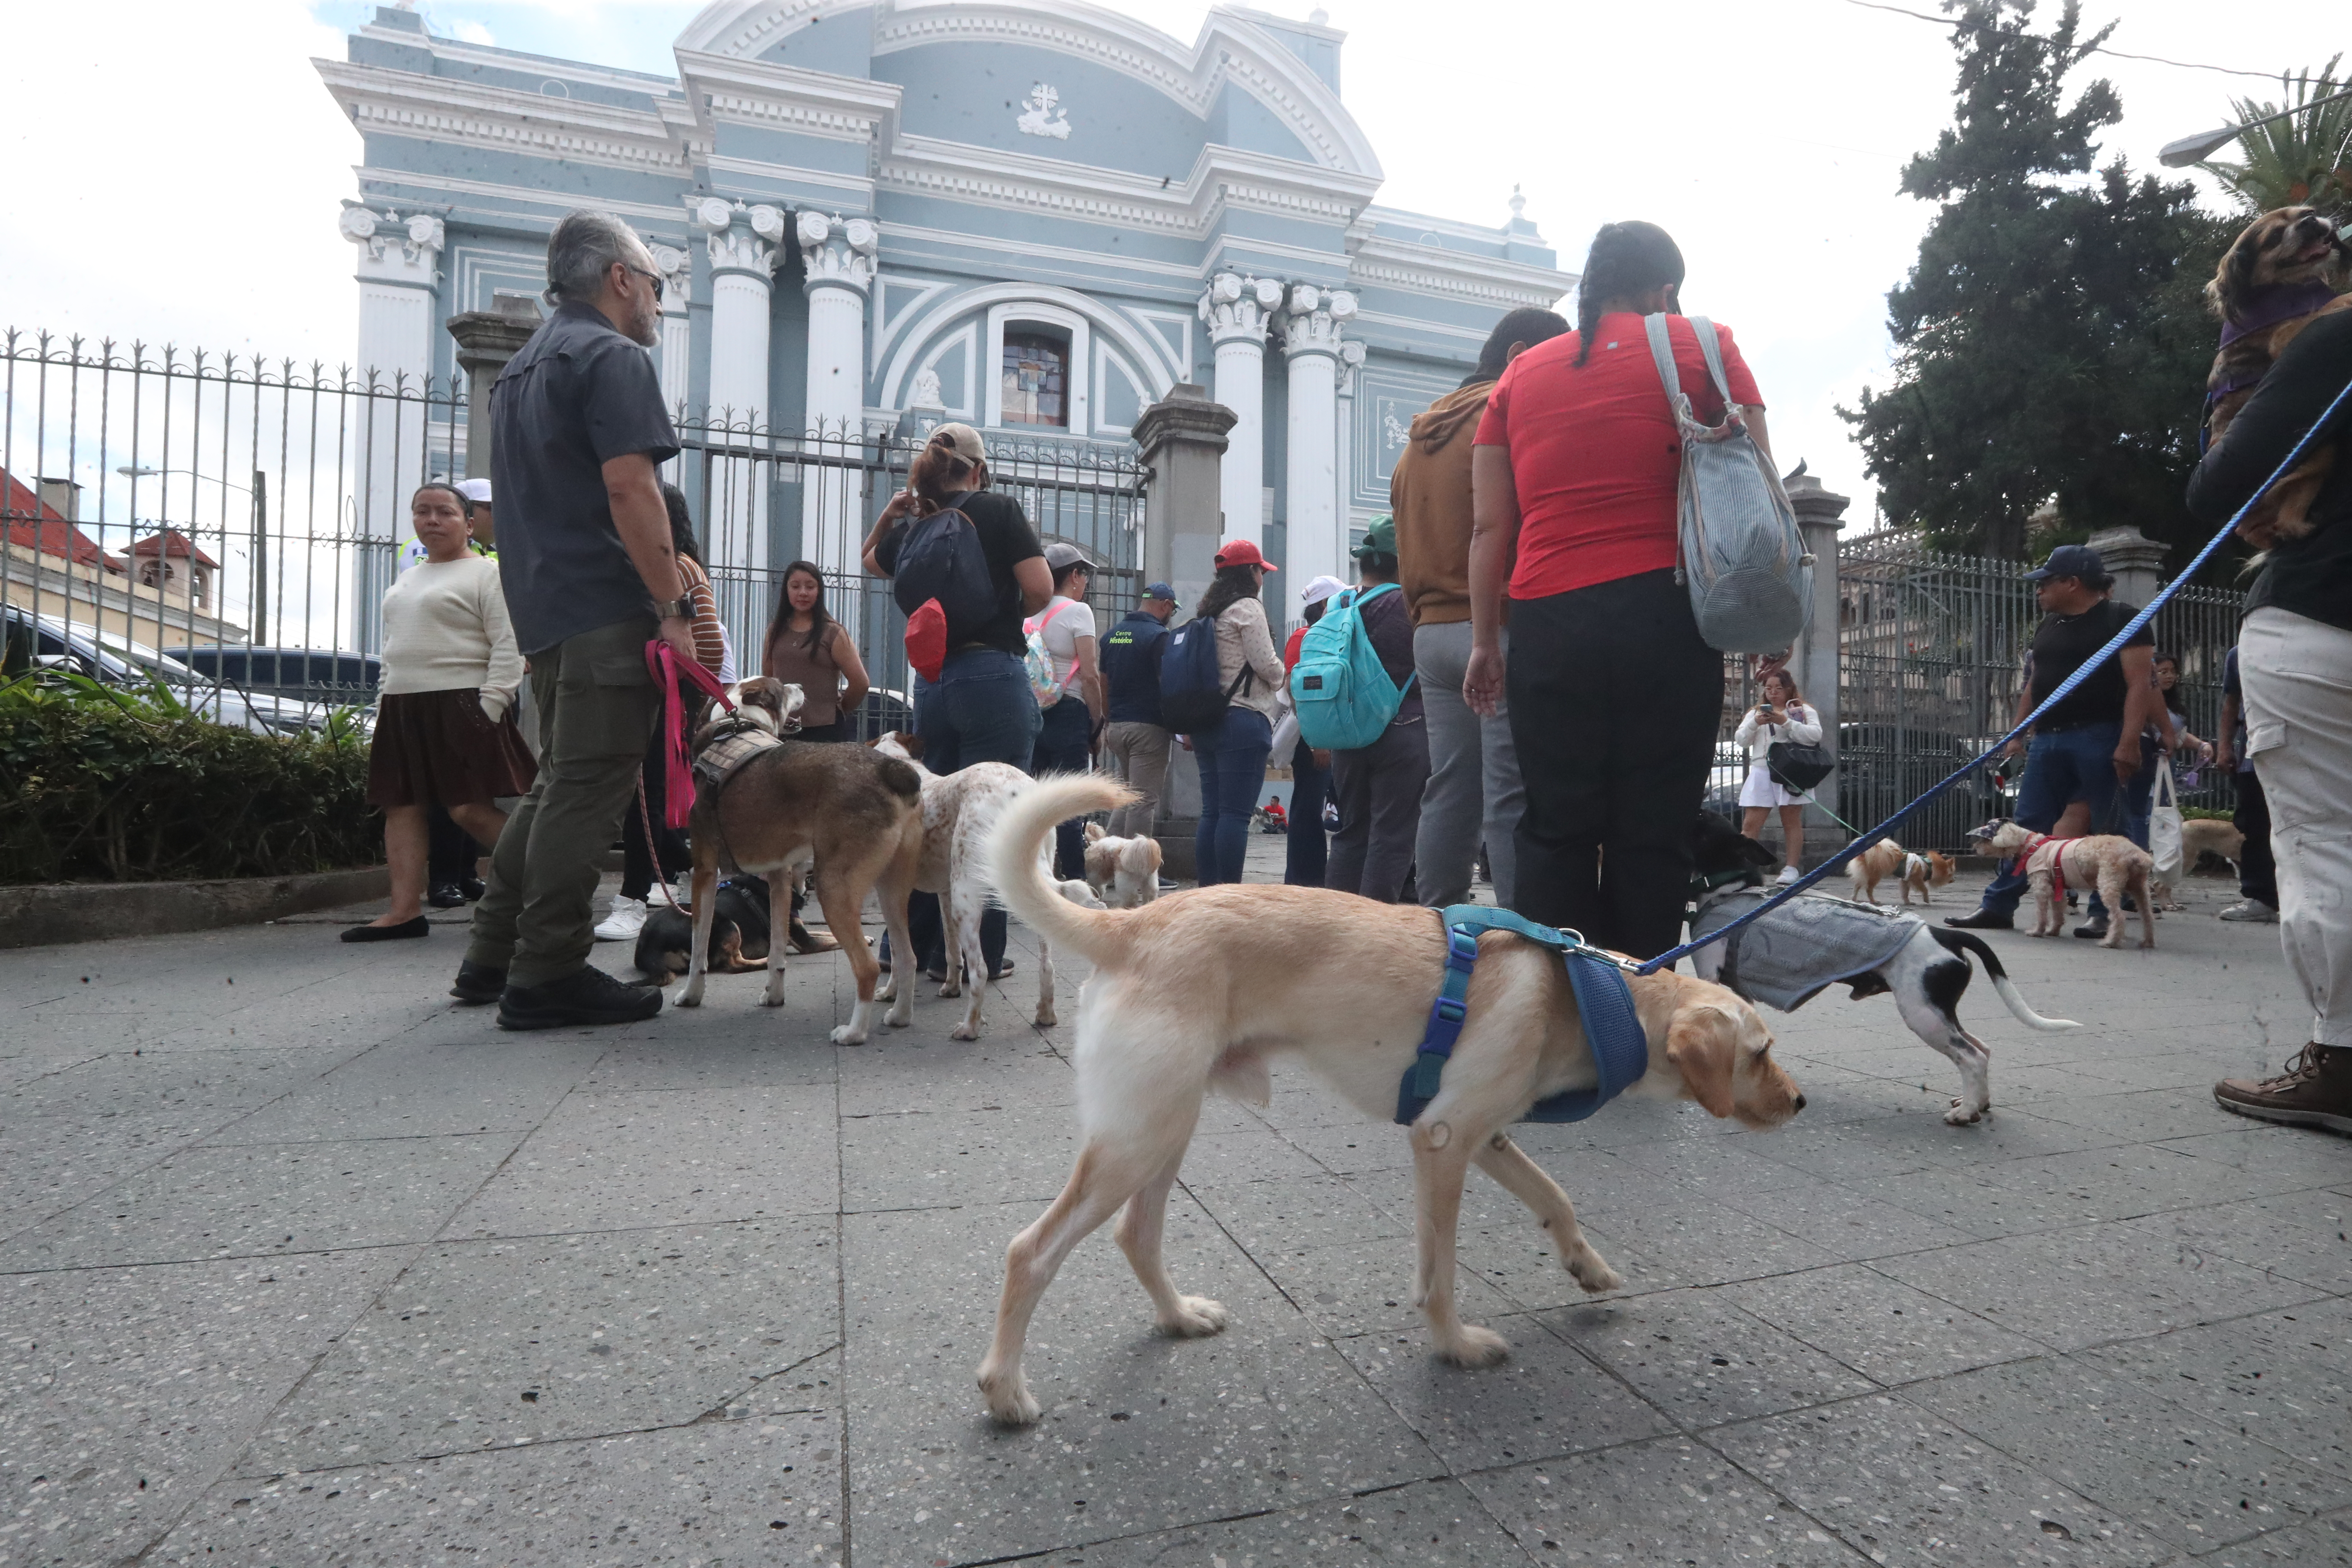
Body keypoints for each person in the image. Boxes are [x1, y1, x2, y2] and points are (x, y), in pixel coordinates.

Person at [1463, 221, 1767, 961]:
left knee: (1553, 823)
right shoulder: (1705, 343)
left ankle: (1554, 1006)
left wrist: (1482, 643)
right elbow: (1755, 488)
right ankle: (1634, 1004)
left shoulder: (1517, 376)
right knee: (1653, 822)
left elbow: (1487, 528)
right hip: (1663, 611)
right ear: (1664, 290)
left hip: (1547, 619)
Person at [454, 209, 692, 1030]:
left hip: (547, 613)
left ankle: (491, 952)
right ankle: (547, 969)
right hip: (602, 609)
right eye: (655, 284)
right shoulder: (611, 355)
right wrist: (671, 606)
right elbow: (633, 490)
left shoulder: (522, 367)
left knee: (558, 784)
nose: (658, 302)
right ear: (620, 278)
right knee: (585, 792)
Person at [2192, 305, 2352, 1133]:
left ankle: (2343, 1059)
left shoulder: (2333, 338)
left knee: (2324, 838)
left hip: (2326, 612)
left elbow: (2220, 483)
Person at [865, 421, 1050, 980]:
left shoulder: (918, 526)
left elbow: (872, 559)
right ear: (977, 468)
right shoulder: (997, 511)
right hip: (991, 674)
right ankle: (978, 960)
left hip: (933, 682)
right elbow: (1041, 589)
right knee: (994, 820)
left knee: (928, 816)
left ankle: (911, 948)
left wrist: (892, 512)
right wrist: (1001, 607)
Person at [1394, 307, 1564, 910]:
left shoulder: (1419, 440)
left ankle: (1434, 923)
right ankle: (1525, 939)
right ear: (1520, 353)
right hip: (1496, 625)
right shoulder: (1507, 411)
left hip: (1431, 632)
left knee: (1450, 789)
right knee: (1509, 792)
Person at [346, 481, 534, 943]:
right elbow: (394, 648)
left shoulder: (488, 574)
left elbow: (509, 645)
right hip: (403, 706)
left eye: (445, 512)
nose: (432, 520)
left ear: (470, 524)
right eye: (422, 511)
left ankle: (550, 888)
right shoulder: (408, 578)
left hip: (464, 701)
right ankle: (404, 912)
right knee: (402, 807)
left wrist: (491, 706)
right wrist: (384, 701)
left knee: (469, 809)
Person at [1945, 545, 2163, 939]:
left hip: (2100, 733)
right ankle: (1998, 905)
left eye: (2045, 582)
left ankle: (2102, 911)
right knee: (2026, 826)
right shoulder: (2050, 626)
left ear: (2072, 583)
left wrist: (2129, 742)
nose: (2038, 591)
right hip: (2048, 739)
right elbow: (2033, 684)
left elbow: (2140, 685)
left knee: (2108, 825)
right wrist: (2016, 735)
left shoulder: (2123, 619)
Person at [595, 481, 727, 943]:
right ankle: (672, 869)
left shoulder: (676, 569)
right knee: (649, 794)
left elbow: (708, 641)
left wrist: (686, 696)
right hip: (659, 694)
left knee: (645, 795)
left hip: (666, 696)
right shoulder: (668, 566)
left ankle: (635, 896)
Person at [1324, 517, 1428, 903]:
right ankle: (1371, 929)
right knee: (1393, 834)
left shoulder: (1339, 603)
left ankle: (1335, 922)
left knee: (1351, 832)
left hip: (1347, 732)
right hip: (1404, 728)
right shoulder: (1408, 605)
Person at [1188, 539, 1285, 885]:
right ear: (1251, 572)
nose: (1263, 577)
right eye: (1261, 570)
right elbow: (1267, 665)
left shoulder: (1209, 613)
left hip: (1208, 722)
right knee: (1235, 815)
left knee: (1212, 812)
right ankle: (1228, 896)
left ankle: (1206, 894)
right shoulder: (1247, 608)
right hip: (1243, 721)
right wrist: (1281, 673)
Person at [1028, 542, 1105, 880]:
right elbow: (1089, 674)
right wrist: (1097, 723)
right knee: (1070, 806)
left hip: (1032, 715)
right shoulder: (1078, 612)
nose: (1085, 582)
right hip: (1070, 713)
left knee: (1036, 808)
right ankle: (1076, 887)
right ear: (1074, 575)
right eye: (1084, 575)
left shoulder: (1029, 613)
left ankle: (1035, 883)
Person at [1277, 574, 1346, 887]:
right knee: (1309, 806)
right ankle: (1307, 878)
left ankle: (1310, 875)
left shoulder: (1314, 636)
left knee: (1312, 804)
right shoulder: (1307, 638)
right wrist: (1318, 741)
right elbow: (1299, 691)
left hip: (1323, 735)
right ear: (1324, 605)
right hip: (1315, 737)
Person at [1099, 582, 1177, 840]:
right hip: (1148, 729)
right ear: (1165, 605)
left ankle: (1110, 863)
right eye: (1173, 611)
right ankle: (1137, 870)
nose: (1171, 616)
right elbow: (1166, 683)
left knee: (1129, 796)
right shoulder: (1159, 637)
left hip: (1117, 728)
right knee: (1143, 801)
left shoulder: (1112, 635)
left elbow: (1103, 682)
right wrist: (1180, 724)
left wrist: (1109, 720)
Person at [761, 559, 871, 743]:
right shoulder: (774, 631)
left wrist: (837, 710)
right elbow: (768, 679)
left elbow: (861, 683)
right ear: (786, 590)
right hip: (782, 730)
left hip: (825, 733)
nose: (803, 593)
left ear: (819, 591)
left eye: (810, 587)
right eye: (795, 586)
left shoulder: (834, 633)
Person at [1733, 667, 1822, 885]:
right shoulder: (1755, 713)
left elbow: (1814, 735)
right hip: (1762, 770)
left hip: (1790, 771)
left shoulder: (1801, 711)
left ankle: (1791, 868)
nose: (1773, 693)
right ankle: (1743, 867)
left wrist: (1786, 722)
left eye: (1779, 688)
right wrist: (1757, 723)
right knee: (1751, 823)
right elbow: (1741, 740)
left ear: (1789, 689)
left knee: (1791, 820)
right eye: (1769, 688)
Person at [2214, 646, 2278, 923]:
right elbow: (2231, 702)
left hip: (2303, 754)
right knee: (2254, 827)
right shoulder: (2240, 653)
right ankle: (2262, 898)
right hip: (2254, 755)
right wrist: (2225, 746)